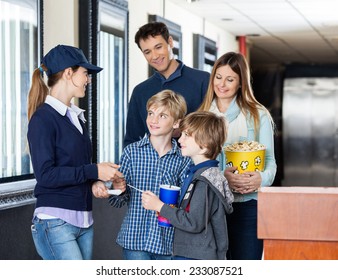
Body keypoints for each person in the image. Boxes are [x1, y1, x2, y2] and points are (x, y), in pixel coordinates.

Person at [27, 44, 124, 260]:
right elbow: (46, 175)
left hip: (84, 221)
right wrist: (94, 170)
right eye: (85, 73)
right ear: (68, 73)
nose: (88, 79)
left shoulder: (76, 117)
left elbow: (75, 168)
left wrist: (96, 182)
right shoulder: (43, 119)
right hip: (55, 221)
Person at [198, 52, 277, 260]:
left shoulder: (257, 114)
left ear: (241, 83)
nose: (222, 84)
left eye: (230, 79)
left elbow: (270, 164)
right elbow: (193, 162)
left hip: (247, 207)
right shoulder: (202, 116)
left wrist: (261, 179)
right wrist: (223, 177)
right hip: (210, 207)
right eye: (218, 77)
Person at [108, 89, 191, 260]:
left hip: (167, 242)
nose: (153, 120)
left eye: (162, 116)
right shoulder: (131, 152)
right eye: (151, 113)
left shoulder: (183, 159)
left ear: (176, 123)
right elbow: (116, 201)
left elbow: (185, 205)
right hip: (134, 241)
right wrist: (118, 188)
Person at [142, 111, 234, 260]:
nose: (180, 140)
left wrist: (160, 206)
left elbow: (193, 222)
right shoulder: (197, 173)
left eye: (187, 135)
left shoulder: (204, 181)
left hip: (196, 256)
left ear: (204, 146)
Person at [124, 21, 210, 147]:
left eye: (158, 47)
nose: (154, 56)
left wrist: (182, 128)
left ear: (170, 42)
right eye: (147, 52)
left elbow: (214, 128)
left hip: (196, 163)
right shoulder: (140, 91)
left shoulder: (203, 80)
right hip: (155, 164)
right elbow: (132, 140)